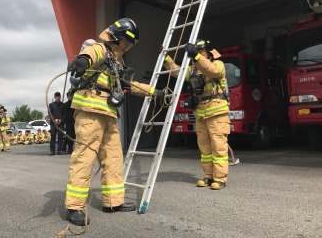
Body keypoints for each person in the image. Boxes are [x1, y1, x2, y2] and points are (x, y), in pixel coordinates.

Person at [64, 18, 165, 225]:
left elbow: (129, 85)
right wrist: (83, 60)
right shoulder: (101, 49)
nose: (128, 46)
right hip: (90, 110)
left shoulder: (118, 62)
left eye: (131, 43)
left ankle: (113, 202)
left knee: (113, 158)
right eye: (126, 42)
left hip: (108, 114)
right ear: (117, 38)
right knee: (84, 158)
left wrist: (155, 92)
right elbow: (92, 53)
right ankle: (74, 207)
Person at [163, 39, 230, 190]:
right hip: (200, 114)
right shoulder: (194, 69)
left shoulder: (218, 64)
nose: (199, 54)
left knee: (218, 147)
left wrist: (197, 57)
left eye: (201, 51)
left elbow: (211, 70)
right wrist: (166, 59)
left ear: (209, 52)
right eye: (197, 52)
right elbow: (177, 72)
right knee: (205, 149)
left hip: (217, 113)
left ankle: (220, 178)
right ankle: (208, 176)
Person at [61, 90, 75, 154]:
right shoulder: (65, 105)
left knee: (73, 136)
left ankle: (70, 148)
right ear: (67, 97)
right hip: (68, 122)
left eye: (71, 96)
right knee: (68, 135)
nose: (70, 97)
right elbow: (63, 113)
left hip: (74, 122)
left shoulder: (75, 104)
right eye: (69, 96)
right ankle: (64, 147)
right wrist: (63, 120)